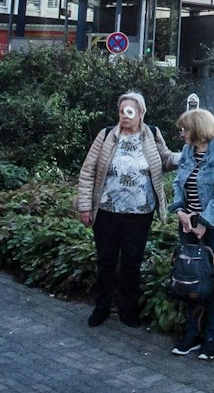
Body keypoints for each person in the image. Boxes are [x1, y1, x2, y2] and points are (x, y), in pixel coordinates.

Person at [73, 92, 176, 328]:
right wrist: (85, 206)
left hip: (139, 214)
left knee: (131, 263)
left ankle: (128, 310)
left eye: (129, 111)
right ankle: (102, 307)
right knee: (106, 262)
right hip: (107, 211)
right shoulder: (106, 135)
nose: (124, 116)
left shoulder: (152, 135)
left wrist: (189, 153)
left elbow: (166, 160)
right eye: (121, 111)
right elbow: (88, 170)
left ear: (141, 114)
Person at [169, 106, 214, 360]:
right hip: (189, 222)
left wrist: (204, 222)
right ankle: (192, 334)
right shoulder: (187, 151)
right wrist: (180, 211)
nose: (182, 134)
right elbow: (178, 183)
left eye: (185, 129)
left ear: (197, 129)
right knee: (191, 277)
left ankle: (211, 337)